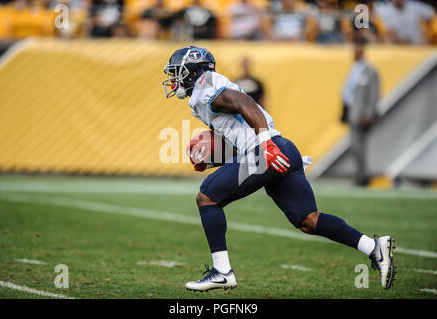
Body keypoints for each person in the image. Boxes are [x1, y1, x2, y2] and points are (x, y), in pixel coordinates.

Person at [162, 46, 395, 292]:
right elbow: (239, 134)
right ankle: (373, 247)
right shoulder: (202, 94)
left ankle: (222, 271)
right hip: (282, 149)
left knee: (207, 197)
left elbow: (243, 102)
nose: (174, 78)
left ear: (192, 70)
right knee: (308, 220)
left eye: (177, 72)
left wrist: (265, 145)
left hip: (268, 152)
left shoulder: (205, 87)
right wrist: (217, 155)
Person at [341, 39, 380, 186]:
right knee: (355, 146)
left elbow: (374, 94)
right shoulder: (355, 69)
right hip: (352, 113)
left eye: (356, 49)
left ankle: (363, 175)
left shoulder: (370, 71)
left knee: (359, 146)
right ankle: (361, 174)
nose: (354, 53)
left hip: (361, 115)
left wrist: (368, 114)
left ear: (362, 51)